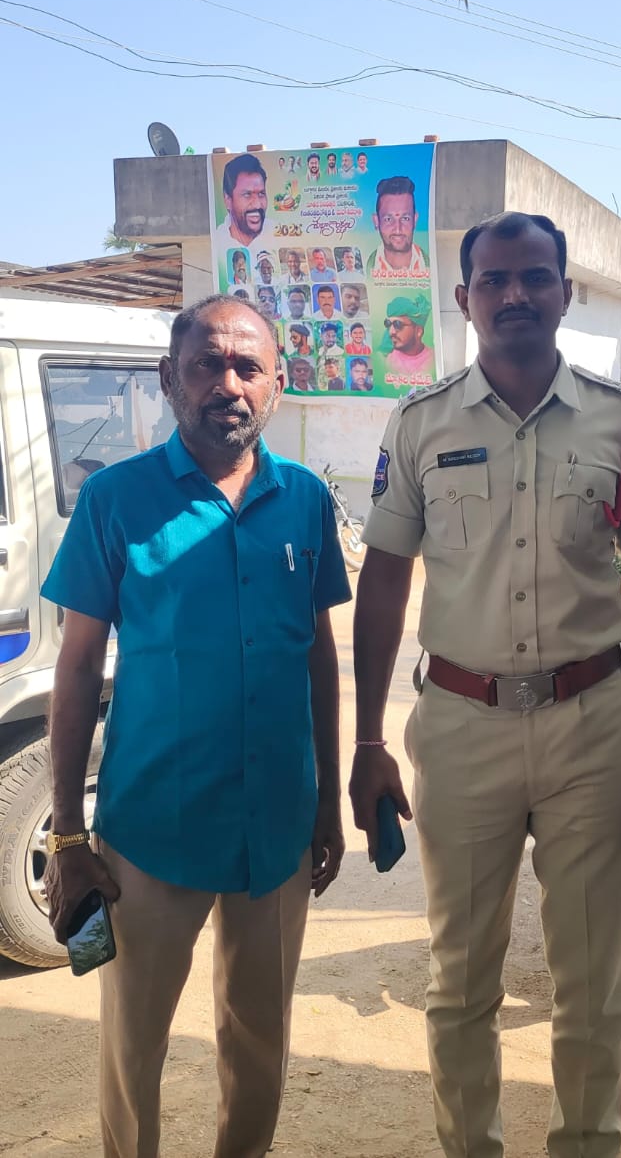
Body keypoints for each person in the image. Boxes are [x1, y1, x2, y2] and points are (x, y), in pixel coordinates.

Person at [347, 210, 621, 1158]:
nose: (514, 295)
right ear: (464, 298)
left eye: (535, 276)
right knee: (462, 977)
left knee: (593, 978)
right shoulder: (419, 423)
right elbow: (385, 581)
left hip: (593, 724)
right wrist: (369, 739)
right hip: (462, 724)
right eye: (494, 280)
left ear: (564, 292)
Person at [40, 294, 350, 1158]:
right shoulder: (115, 499)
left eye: (248, 366)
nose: (228, 384)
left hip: (275, 830)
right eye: (207, 364)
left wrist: (325, 803)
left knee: (259, 1037)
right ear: (169, 379)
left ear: (277, 383)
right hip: (152, 833)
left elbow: (319, 656)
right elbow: (76, 668)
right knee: (133, 1044)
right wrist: (66, 833)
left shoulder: (306, 501)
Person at [370, 177, 429, 278]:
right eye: (388, 219)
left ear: (415, 220)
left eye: (405, 218)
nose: (398, 229)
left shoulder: (429, 263)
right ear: (376, 221)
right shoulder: (365, 268)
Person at [218, 154, 268, 251]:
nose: (257, 204)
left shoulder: (277, 232)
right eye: (247, 194)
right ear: (228, 200)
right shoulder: (219, 240)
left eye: (261, 194)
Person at [382, 295, 435, 383]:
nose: (391, 332)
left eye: (398, 324)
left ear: (418, 331)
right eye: (388, 324)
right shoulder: (390, 360)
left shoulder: (433, 361)